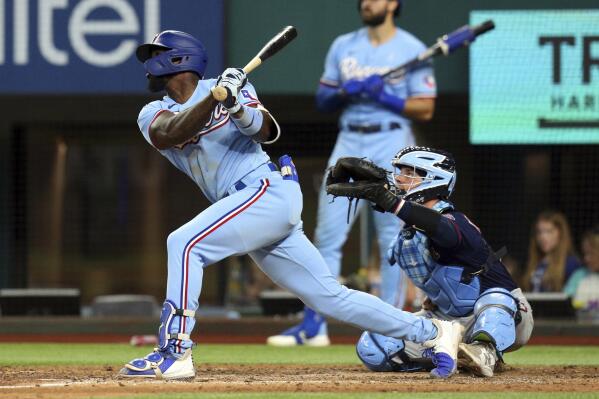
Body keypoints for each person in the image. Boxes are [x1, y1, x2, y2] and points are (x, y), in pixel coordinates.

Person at [119, 30, 464, 380]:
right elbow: (170, 133)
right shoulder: (153, 111)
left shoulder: (233, 87)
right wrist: (214, 100)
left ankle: (175, 350)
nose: (148, 64)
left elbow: (266, 132)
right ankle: (435, 333)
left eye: (155, 54)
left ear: (179, 59)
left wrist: (236, 104)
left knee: (185, 243)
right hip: (246, 207)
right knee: (329, 297)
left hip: (265, 190)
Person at [267, 0, 436, 347]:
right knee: (327, 236)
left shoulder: (412, 48)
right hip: (349, 138)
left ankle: (390, 329)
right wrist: (347, 90)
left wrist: (385, 95)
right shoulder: (344, 44)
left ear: (392, 4)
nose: (366, 3)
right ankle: (314, 326)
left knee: (394, 238)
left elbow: (426, 107)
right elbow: (323, 98)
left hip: (393, 142)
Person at [325, 146, 534, 377]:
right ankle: (449, 354)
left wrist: (391, 202)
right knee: (373, 345)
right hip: (449, 322)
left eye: (410, 172)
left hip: (507, 314)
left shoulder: (454, 219)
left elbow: (443, 231)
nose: (399, 178)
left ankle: (485, 352)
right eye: (399, 171)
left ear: (434, 179)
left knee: (495, 299)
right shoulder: (408, 234)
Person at [524, 210, 582, 292]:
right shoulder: (535, 262)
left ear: (560, 233)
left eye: (549, 231)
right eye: (539, 232)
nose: (543, 237)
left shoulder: (570, 263)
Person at [564, 227, 599, 309]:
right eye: (585, 254)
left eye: (591, 254)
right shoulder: (579, 276)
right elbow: (567, 300)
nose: (586, 258)